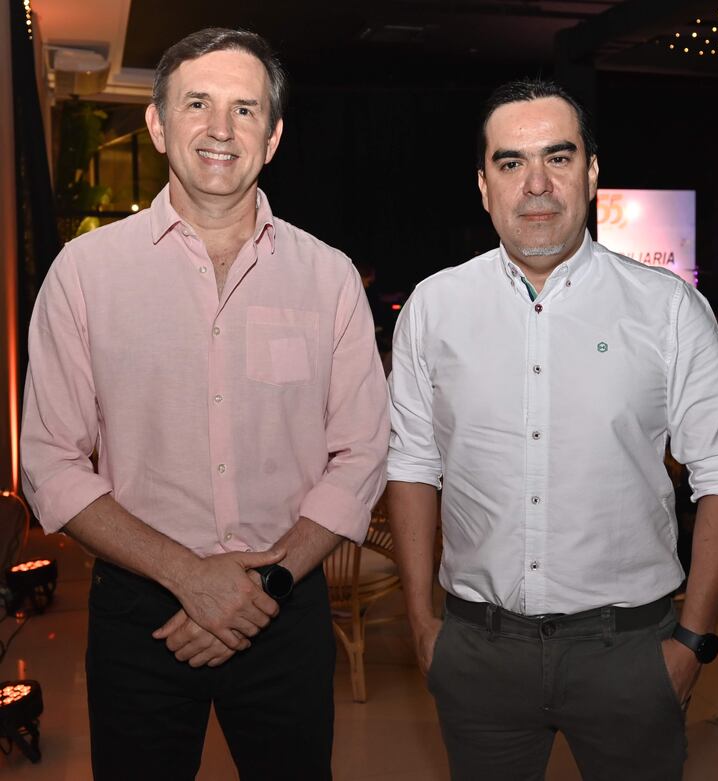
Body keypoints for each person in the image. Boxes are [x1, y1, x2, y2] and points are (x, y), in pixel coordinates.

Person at [20, 28, 389, 781]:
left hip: (285, 607)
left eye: (245, 109)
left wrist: (264, 585)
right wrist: (189, 577)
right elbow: (49, 461)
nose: (221, 128)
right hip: (140, 617)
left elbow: (362, 451)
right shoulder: (84, 274)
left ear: (272, 137)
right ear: (158, 124)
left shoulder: (329, 278)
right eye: (198, 104)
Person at [386, 78, 718, 780]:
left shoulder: (669, 309)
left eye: (558, 158)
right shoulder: (434, 307)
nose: (536, 184)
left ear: (590, 174)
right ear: (483, 185)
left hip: (631, 651)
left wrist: (692, 643)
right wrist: (421, 624)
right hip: (478, 650)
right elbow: (411, 465)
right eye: (511, 162)